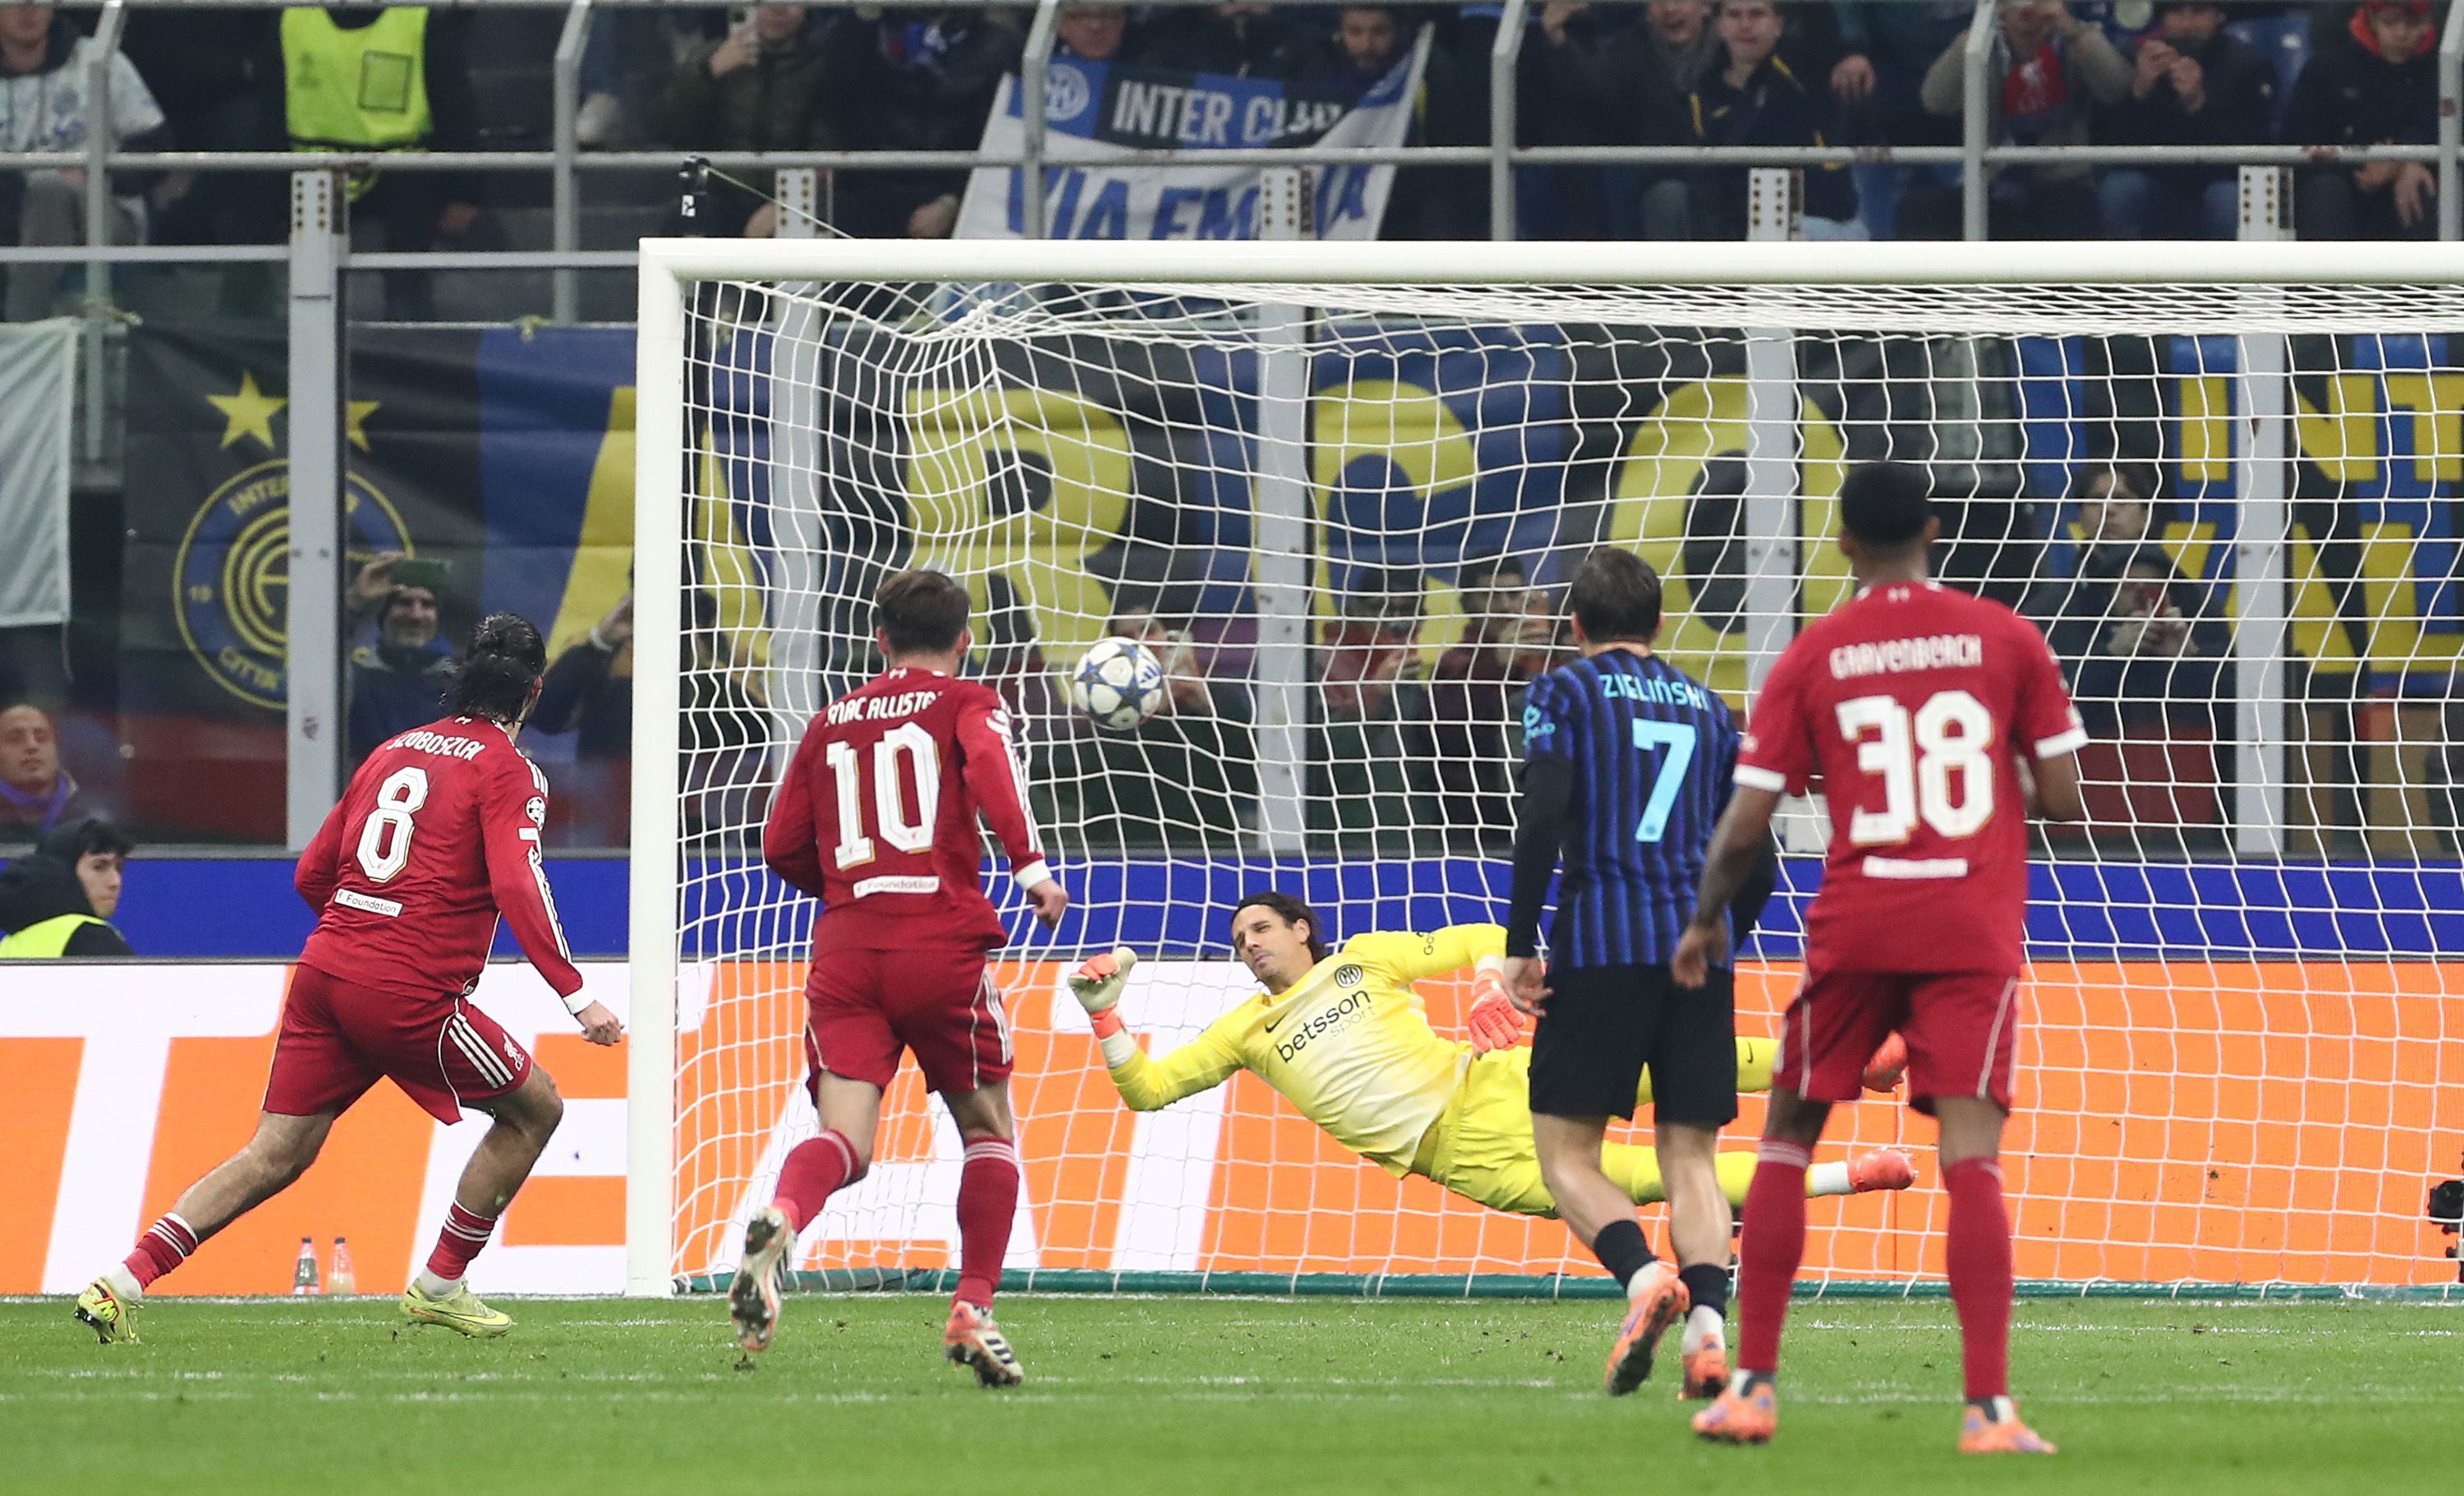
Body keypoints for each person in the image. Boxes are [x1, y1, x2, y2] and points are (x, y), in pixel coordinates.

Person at [1676, 460, 2087, 1453]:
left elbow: (1747, 821)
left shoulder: (1817, 653)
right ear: (1936, 531)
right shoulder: (2007, 639)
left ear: (1845, 541)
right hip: (1969, 929)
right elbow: (2068, 804)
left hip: (1859, 923)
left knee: (1787, 1136)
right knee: (1973, 1161)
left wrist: (1702, 922)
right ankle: (1989, 1411)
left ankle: (1755, 1390)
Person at [73, 615, 623, 1346]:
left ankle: (124, 1277)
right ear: (535, 690)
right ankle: (441, 1282)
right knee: (536, 1109)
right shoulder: (509, 770)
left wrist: (361, 930)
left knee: (276, 1152)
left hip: (326, 969)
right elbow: (520, 881)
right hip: (406, 989)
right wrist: (576, 994)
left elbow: (311, 872)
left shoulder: (393, 749)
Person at [1064, 897, 1913, 1227]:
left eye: (1260, 930)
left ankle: (1850, 1059)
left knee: (1675, 1066)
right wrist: (1106, 1017)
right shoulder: (1242, 1032)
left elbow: (1479, 935)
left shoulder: (1363, 959)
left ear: (1301, 933)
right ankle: (1849, 1176)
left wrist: (1487, 987)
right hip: (1461, 1154)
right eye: (1239, 938)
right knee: (1647, 1180)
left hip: (1491, 1076)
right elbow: (1148, 1090)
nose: (1248, 945)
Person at [729, 568, 1069, 1386]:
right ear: (964, 639)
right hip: (939, 941)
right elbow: (989, 767)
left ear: (878, 639)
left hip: (847, 949)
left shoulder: (829, 721)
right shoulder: (967, 702)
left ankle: (783, 1215)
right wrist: (1029, 868)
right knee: (989, 1130)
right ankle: (973, 1306)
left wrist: (852, 890)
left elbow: (779, 846)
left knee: (844, 1140)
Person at [1501, 547, 1748, 1401]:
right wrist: (1719, 938)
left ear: (1574, 625)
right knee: (1694, 1157)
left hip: (1601, 945)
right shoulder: (1715, 713)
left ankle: (1645, 1280)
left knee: (1566, 1153)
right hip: (1697, 957)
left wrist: (1520, 941)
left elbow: (1545, 813)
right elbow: (1754, 851)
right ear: (1660, 623)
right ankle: (1710, 1331)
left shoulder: (1562, 692)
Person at [0, 2, 172, 321]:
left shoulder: (98, 59)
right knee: (43, 194)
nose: (29, 9)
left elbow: (155, 148)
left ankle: (22, 332)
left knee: (49, 193)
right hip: (16, 215)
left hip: (106, 209)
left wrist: (97, 175)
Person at [1912, 0, 2130, 239]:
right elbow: (1934, 100)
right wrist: (1975, 33)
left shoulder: (2075, 40)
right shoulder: (1981, 45)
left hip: (2063, 181)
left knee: (2073, 210)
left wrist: (2070, 28)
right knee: (1918, 209)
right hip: (1993, 181)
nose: (2026, 8)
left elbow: (2116, 87)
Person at [650, 5, 843, 237]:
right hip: (722, 197)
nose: (777, 10)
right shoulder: (710, 59)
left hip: (792, 197)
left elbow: (826, 150)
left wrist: (786, 206)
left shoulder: (823, 66)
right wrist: (709, 72)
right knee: (682, 217)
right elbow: (666, 127)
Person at [2095, 0, 2275, 240]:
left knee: (2227, 197)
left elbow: (2253, 151)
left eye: (2199, 12)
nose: (2187, 24)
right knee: (2121, 189)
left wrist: (2197, 104)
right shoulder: (2137, 60)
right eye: (2177, 12)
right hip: (2157, 186)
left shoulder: (2247, 65)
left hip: (2218, 184)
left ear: (2218, 15)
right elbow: (2107, 147)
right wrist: (2138, 92)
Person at [1686, 0, 1860, 239]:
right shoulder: (1704, 91)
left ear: (1779, 24)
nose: (1745, 25)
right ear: (1720, 26)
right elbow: (1707, 182)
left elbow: (1824, 20)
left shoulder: (1807, 65)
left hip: (1820, 223)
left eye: (1757, 14)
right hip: (1740, 234)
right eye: (1734, 15)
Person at [2282, 0, 2439, 242]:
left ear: (2427, 23)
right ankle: (2329, 279)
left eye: (2412, 22)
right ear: (2371, 19)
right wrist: (2362, 167)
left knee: (2422, 185)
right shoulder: (2325, 71)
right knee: (2325, 190)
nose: (2401, 31)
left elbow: (2443, 127)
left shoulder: (2444, 73)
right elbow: (2297, 144)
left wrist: (2407, 159)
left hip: (2411, 183)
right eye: (2390, 21)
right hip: (2341, 183)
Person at [346, 555, 458, 767]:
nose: (416, 615)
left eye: (427, 605)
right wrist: (355, 601)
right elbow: (315, 666)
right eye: (404, 603)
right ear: (383, 615)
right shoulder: (355, 679)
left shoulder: (461, 683)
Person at [0, 817, 134, 957]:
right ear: (61, 871)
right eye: (99, 867)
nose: (115, 882)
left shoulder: (8, 945)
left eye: (119, 868)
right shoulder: (94, 939)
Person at [1, 702, 104, 842]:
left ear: (57, 750)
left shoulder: (95, 820)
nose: (32, 746)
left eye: (41, 738)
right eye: (15, 739)